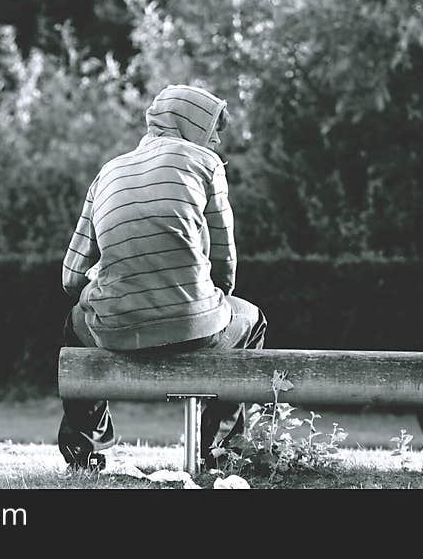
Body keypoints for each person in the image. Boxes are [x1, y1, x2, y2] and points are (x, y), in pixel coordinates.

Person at [58, 84, 267, 471]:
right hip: (197, 326)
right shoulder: (206, 164)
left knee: (74, 323)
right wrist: (203, 299)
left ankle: (85, 448)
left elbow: (70, 277)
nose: (217, 140)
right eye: (212, 128)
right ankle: (219, 449)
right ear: (189, 124)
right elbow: (224, 264)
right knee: (252, 319)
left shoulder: (108, 172)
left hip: (114, 328)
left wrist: (104, 285)